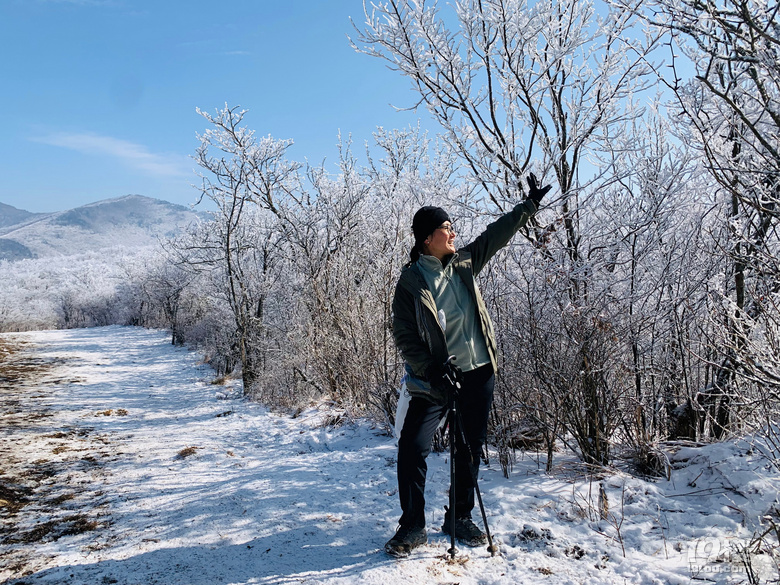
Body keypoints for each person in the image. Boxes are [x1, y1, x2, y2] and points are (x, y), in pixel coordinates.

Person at [385, 174, 551, 558]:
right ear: (427, 238)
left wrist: (528, 207)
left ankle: (459, 516)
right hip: (435, 379)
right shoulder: (411, 281)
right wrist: (431, 368)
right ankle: (412, 526)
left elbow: (495, 235)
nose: (453, 233)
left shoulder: (463, 263)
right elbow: (405, 335)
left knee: (469, 447)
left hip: (479, 372)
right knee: (412, 447)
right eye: (446, 228)